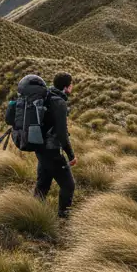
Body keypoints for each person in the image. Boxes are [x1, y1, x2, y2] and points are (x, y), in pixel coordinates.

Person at [36, 72, 77, 218]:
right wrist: (71, 155)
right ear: (66, 87)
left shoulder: (47, 96)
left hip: (39, 148)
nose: (72, 86)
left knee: (42, 185)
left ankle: (33, 212)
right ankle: (63, 218)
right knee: (68, 186)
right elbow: (62, 133)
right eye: (71, 84)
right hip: (51, 150)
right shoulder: (59, 103)